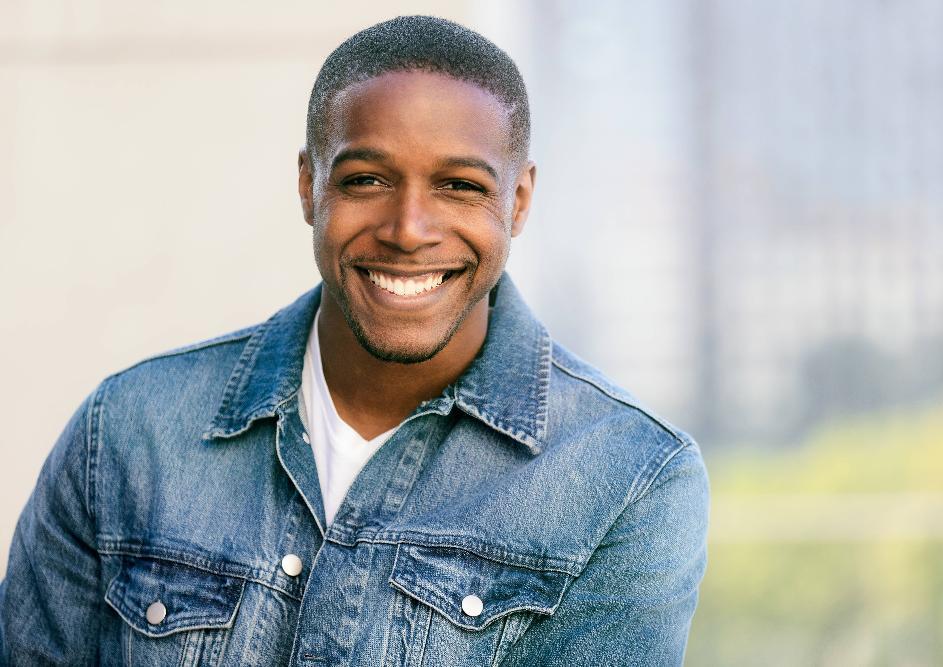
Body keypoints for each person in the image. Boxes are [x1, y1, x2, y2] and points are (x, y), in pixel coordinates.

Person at [0, 15, 708, 666]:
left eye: (459, 186)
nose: (408, 229)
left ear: (517, 201)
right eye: (366, 179)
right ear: (309, 185)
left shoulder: (628, 477)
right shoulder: (128, 431)